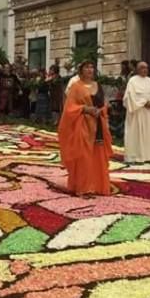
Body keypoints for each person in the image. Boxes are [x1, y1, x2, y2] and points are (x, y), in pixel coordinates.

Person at [58, 60, 113, 196]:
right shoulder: (76, 87)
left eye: (92, 67)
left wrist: (102, 110)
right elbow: (69, 108)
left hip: (98, 125)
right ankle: (83, 186)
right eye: (87, 67)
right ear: (81, 70)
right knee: (84, 156)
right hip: (82, 126)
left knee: (98, 155)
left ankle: (98, 186)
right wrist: (84, 109)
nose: (90, 70)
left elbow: (103, 103)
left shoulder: (97, 85)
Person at [123, 61, 150, 163]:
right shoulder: (132, 81)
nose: (145, 70)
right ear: (137, 69)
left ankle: (149, 156)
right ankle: (136, 156)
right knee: (137, 134)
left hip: (149, 113)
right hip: (138, 112)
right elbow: (130, 97)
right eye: (142, 68)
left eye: (146, 68)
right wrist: (144, 103)